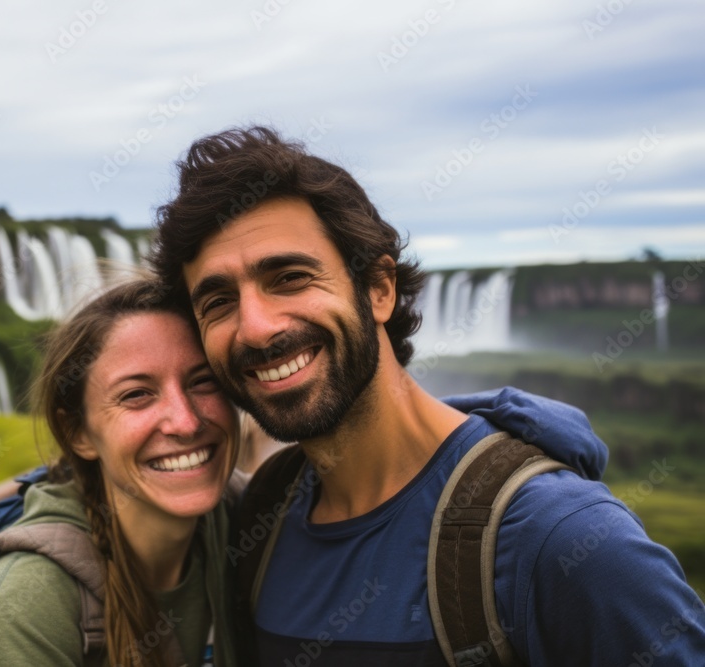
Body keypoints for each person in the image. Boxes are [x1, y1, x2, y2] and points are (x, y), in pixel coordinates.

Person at [150, 126, 705, 665]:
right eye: (218, 301)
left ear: (378, 289)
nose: (255, 328)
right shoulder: (262, 520)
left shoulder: (565, 541)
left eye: (290, 277)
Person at [0, 277, 243, 667]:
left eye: (203, 381)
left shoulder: (249, 512)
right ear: (78, 434)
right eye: (137, 394)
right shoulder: (26, 606)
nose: (186, 422)